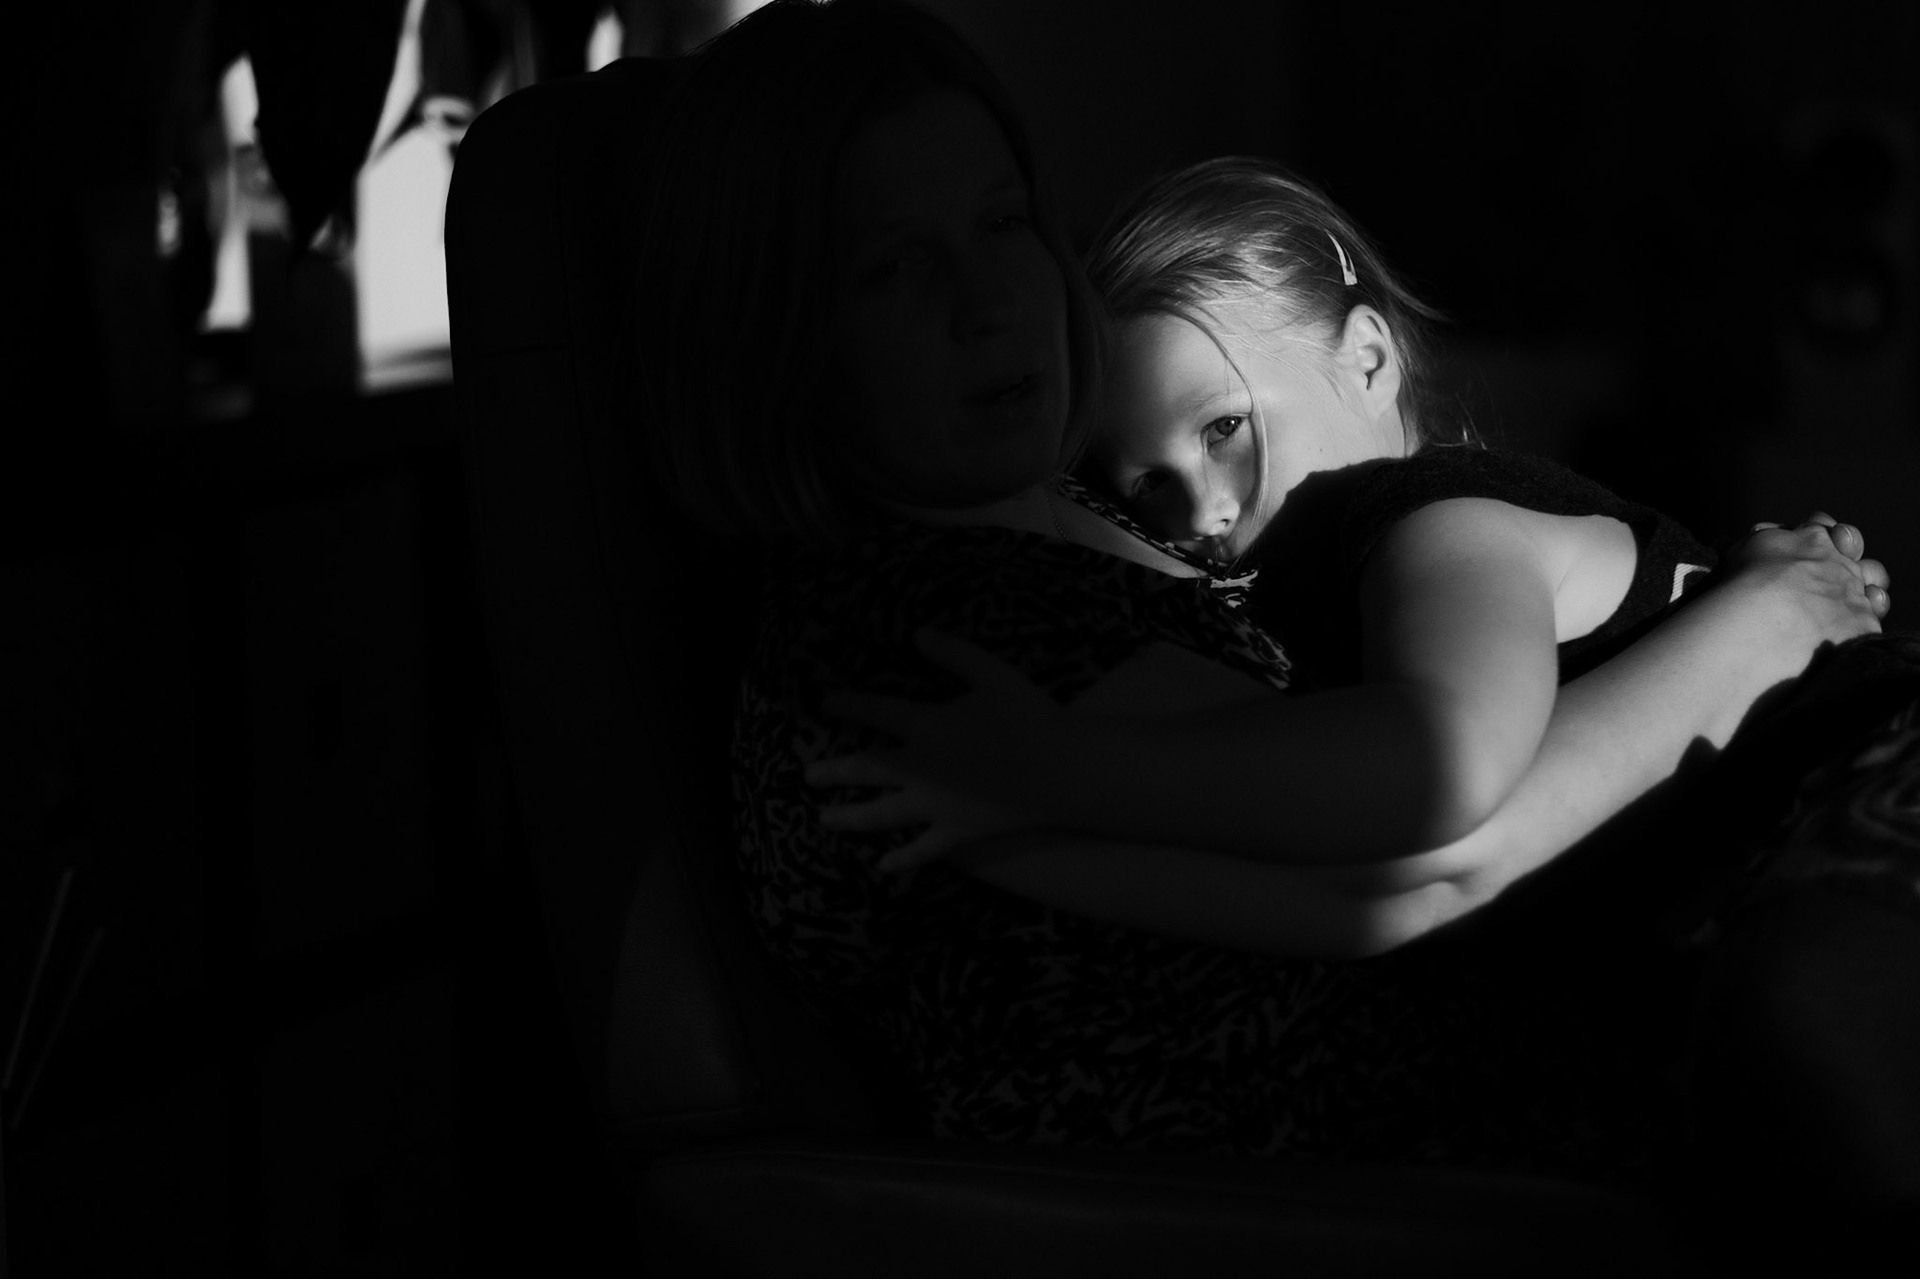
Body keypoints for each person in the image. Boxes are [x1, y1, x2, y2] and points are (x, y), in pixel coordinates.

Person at [630, 0, 1882, 1201]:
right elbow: (1425, 854)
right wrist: (1759, 629)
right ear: (775, 337)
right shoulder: (920, 633)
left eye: (1003, 221)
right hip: (1372, 1192)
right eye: (895, 267)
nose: (986, 299)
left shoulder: (1119, 519)